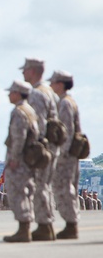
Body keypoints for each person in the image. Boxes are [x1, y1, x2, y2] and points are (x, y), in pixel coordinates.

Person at [20, 58, 60, 240]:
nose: (23, 73)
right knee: (45, 186)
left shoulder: (36, 93)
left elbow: (38, 124)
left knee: (40, 187)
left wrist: (33, 148)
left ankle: (44, 226)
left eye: (25, 70)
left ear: (33, 71)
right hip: (51, 145)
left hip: (41, 148)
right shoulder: (49, 92)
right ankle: (47, 225)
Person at [3, 81, 38, 242]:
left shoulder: (19, 111)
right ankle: (25, 227)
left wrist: (14, 158)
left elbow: (19, 137)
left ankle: (23, 229)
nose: (9, 94)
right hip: (29, 158)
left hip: (20, 159)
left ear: (18, 93)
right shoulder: (30, 110)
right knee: (27, 192)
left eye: (11, 92)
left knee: (18, 192)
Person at [49, 70, 82, 239]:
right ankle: (71, 224)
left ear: (60, 84)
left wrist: (61, 155)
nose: (50, 85)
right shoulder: (67, 102)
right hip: (69, 154)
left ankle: (71, 224)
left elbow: (66, 133)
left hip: (66, 155)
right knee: (66, 188)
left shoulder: (65, 104)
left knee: (64, 188)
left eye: (53, 82)